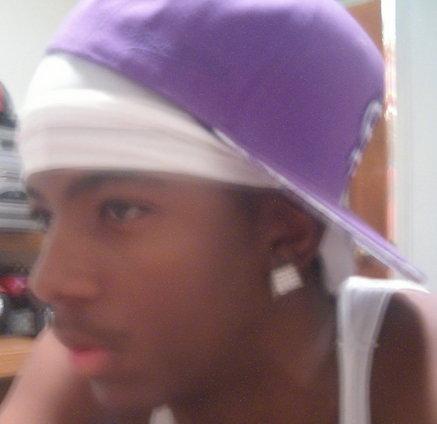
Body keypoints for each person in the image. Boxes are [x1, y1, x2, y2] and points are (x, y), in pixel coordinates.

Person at [1, 0, 437, 423]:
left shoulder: (409, 362)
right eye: (46, 216)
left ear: (287, 232)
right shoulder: (85, 357)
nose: (46, 283)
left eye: (120, 210)